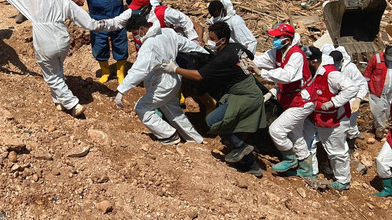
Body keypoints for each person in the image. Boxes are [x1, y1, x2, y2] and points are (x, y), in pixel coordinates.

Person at [0, 0, 112, 116]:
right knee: (57, 68)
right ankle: (59, 101)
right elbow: (87, 22)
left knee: (51, 75)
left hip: (45, 41)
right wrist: (110, 24)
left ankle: (72, 104)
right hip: (63, 40)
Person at [163, 21, 266, 176]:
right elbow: (247, 58)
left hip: (245, 95)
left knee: (214, 121)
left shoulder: (223, 58)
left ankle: (241, 147)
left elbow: (198, 75)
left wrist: (175, 69)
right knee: (227, 127)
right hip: (249, 90)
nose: (210, 41)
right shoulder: (236, 47)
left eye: (212, 38)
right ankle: (251, 165)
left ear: (222, 40)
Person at [115, 15, 206, 145]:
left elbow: (139, 70)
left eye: (135, 33)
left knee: (142, 108)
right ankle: (196, 139)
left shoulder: (149, 45)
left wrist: (121, 90)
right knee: (174, 111)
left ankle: (169, 135)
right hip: (174, 77)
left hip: (164, 83)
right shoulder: (166, 32)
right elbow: (186, 44)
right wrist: (204, 52)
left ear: (141, 28)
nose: (135, 37)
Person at [253, 23, 315, 176]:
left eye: (277, 37)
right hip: (291, 99)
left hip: (302, 101)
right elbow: (260, 61)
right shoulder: (278, 52)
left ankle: (290, 159)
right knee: (296, 134)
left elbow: (287, 76)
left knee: (277, 130)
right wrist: (248, 62)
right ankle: (306, 169)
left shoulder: (296, 55)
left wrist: (262, 73)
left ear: (287, 39)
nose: (274, 40)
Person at [68, 0, 134, 83]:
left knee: (121, 47)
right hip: (99, 23)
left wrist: (138, 8)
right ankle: (106, 72)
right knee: (100, 47)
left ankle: (120, 73)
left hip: (118, 21)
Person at [303, 47, 357, 190]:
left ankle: (343, 180)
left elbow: (352, 88)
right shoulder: (312, 72)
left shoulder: (331, 74)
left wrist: (333, 102)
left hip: (334, 119)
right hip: (315, 115)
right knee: (307, 142)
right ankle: (311, 171)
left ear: (314, 61)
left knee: (336, 151)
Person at [321, 44, 368, 150]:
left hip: (350, 101)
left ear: (342, 61)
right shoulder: (327, 69)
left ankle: (352, 140)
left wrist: (358, 99)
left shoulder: (350, 68)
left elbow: (362, 84)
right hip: (333, 101)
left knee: (350, 123)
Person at [365, 46, 392, 139]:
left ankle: (384, 125)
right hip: (376, 89)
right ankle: (379, 129)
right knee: (378, 110)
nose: (390, 61)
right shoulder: (376, 58)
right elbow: (367, 73)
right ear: (384, 54)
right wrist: (366, 88)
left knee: (388, 110)